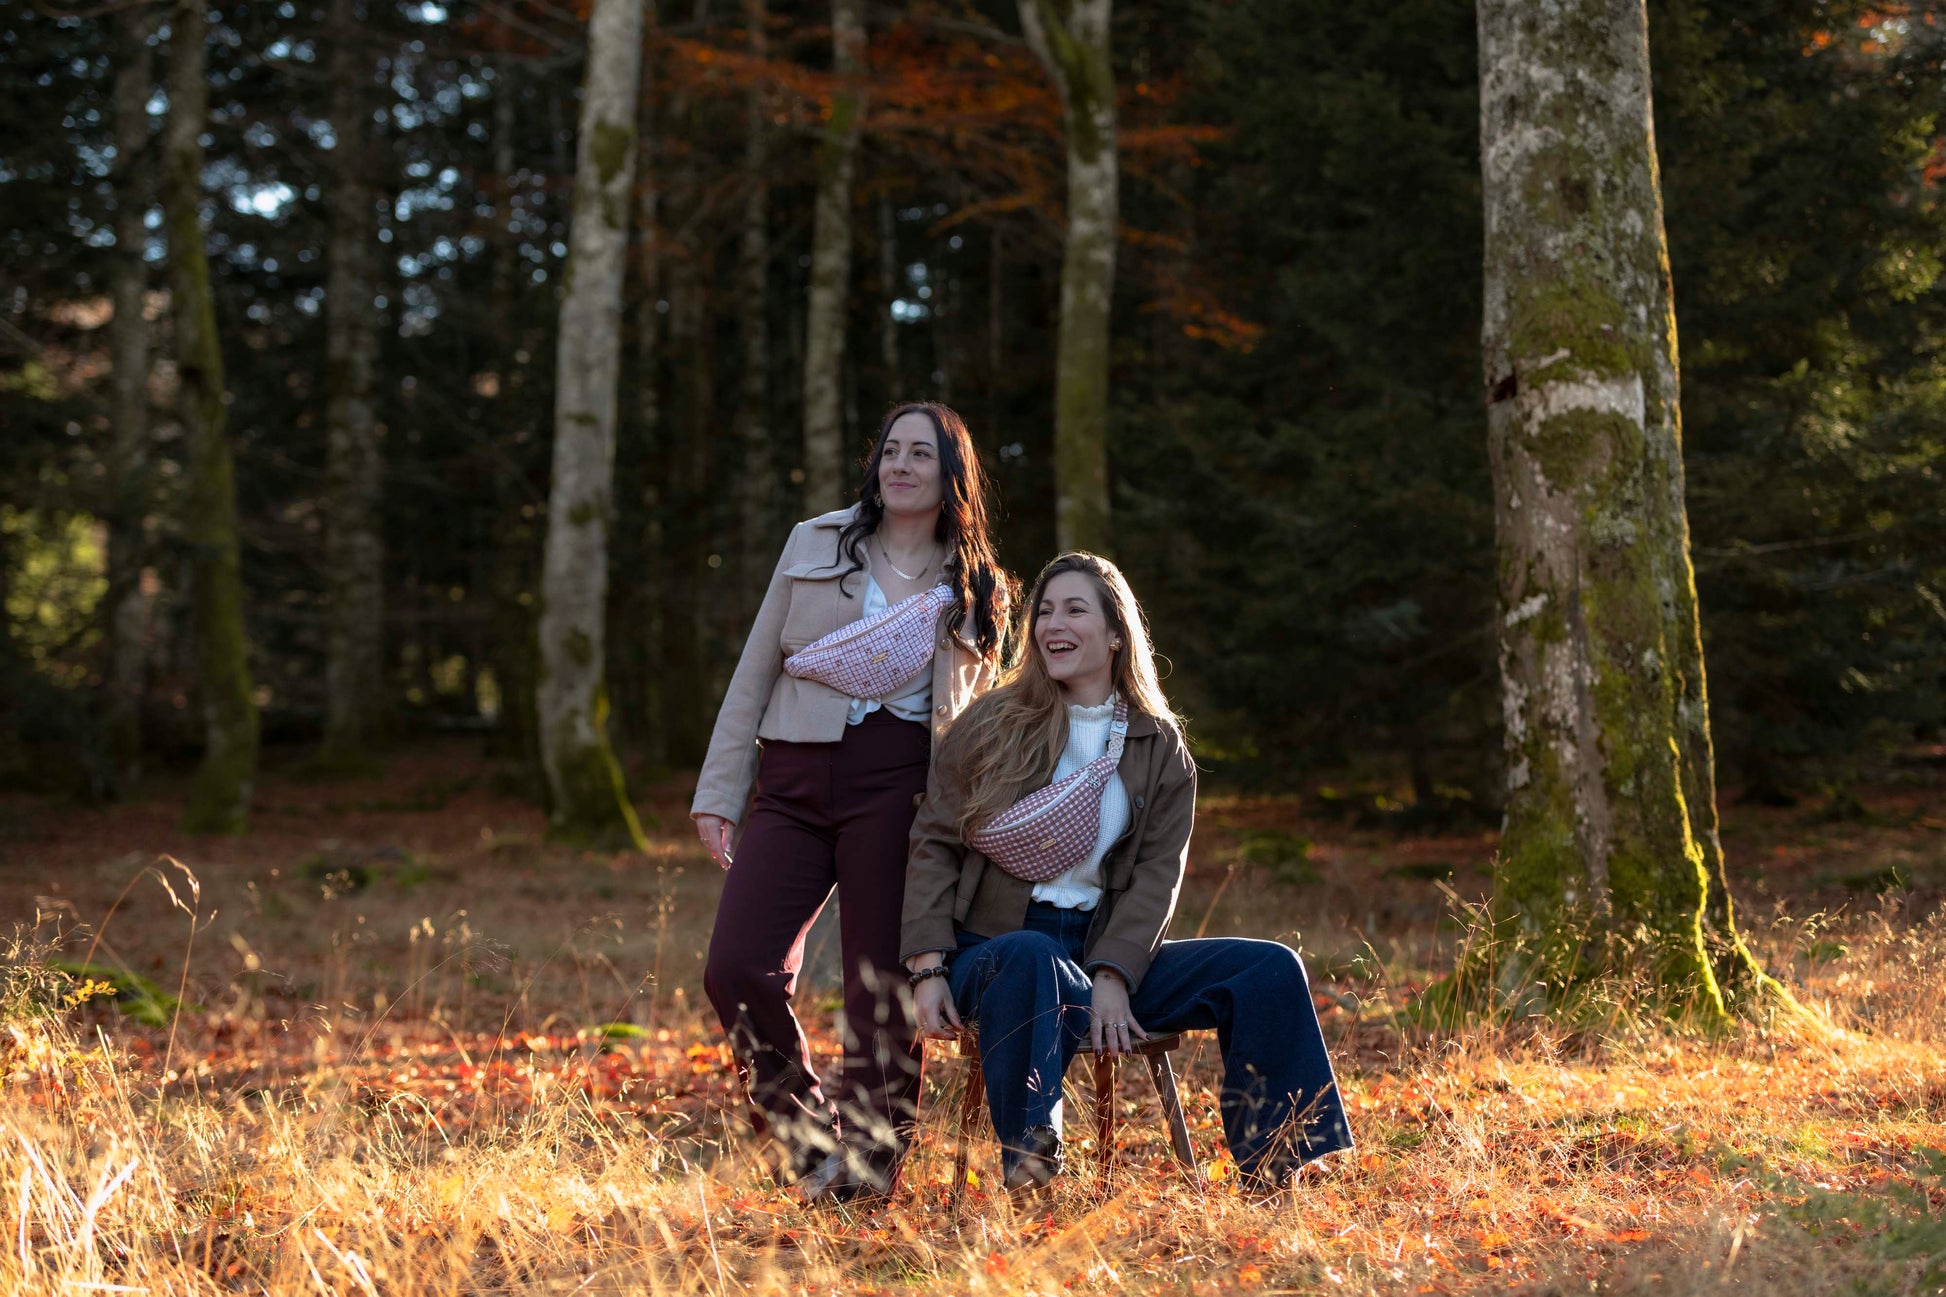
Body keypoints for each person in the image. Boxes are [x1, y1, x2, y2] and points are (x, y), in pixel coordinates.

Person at [901, 553, 1353, 1193]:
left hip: (1101, 953)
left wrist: (1113, 973)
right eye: (1044, 611)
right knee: (1030, 954)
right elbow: (933, 844)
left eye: (1074, 610)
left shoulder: (1158, 746)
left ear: (1116, 632)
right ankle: (1032, 1162)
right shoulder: (991, 724)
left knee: (1268, 968)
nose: (1053, 624)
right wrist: (927, 969)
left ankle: (1281, 1164)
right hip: (997, 955)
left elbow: (1156, 877)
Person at [692, 402, 1012, 1203]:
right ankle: (806, 1144)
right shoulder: (815, 541)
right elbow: (755, 668)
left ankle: (866, 1178)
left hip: (901, 790)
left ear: (952, 474)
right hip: (793, 780)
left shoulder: (976, 585)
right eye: (890, 451)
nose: (900, 465)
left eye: (920, 454)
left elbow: (982, 719)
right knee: (737, 965)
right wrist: (720, 789)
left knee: (881, 991)